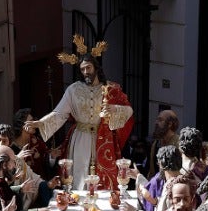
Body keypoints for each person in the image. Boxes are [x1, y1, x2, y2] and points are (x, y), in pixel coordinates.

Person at [26, 49, 133, 189]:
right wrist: (40, 123)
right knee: (79, 173)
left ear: (96, 67)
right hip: (80, 137)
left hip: (103, 138)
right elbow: (60, 113)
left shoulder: (110, 89)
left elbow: (129, 111)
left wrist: (115, 109)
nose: (86, 72)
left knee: (103, 176)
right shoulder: (73, 90)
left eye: (88, 67)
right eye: (82, 69)